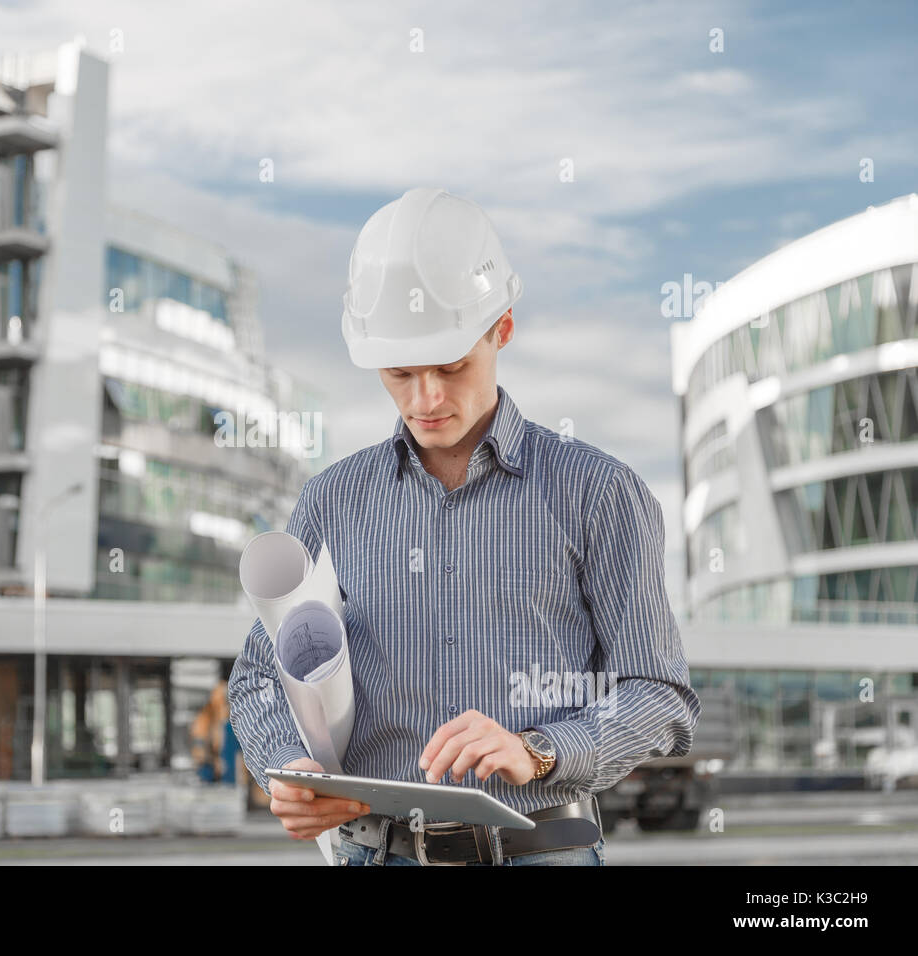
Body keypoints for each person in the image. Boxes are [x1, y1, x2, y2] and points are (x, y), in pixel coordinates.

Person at [227, 187, 701, 866]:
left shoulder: (599, 493)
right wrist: (290, 767)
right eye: (400, 373)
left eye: (451, 368)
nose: (426, 398)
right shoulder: (333, 501)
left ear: (501, 329)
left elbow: (659, 695)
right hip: (375, 853)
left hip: (542, 849)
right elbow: (260, 678)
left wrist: (538, 750)